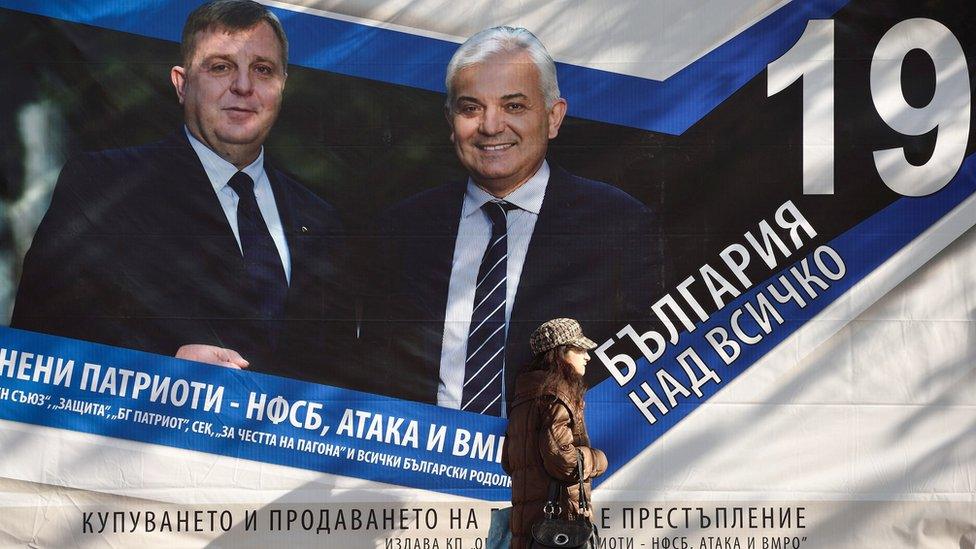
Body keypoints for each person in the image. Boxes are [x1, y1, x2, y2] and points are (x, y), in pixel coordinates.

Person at [11, 0, 353, 386]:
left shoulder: (321, 220)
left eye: (262, 69)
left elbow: (339, 372)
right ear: (181, 83)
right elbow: (35, 339)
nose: (243, 86)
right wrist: (161, 367)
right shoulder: (102, 184)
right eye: (221, 67)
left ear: (282, 85)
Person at [366, 26, 657, 414]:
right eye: (471, 108)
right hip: (420, 462)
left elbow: (646, 372)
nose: (490, 126)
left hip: (555, 464)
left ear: (554, 118)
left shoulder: (619, 226)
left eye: (514, 106)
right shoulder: (401, 230)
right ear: (450, 122)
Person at [501, 318, 608, 549]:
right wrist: (598, 459)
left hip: (526, 531)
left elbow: (509, 462)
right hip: (557, 531)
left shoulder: (523, 398)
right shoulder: (557, 394)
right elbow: (564, 461)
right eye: (580, 349)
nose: (587, 356)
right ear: (560, 353)